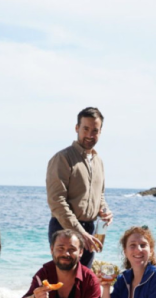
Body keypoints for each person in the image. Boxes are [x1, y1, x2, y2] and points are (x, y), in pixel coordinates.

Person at [46, 107, 113, 268]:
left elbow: (99, 195)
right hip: (64, 229)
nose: (90, 135)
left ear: (100, 132)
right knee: (64, 279)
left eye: (95, 130)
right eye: (86, 129)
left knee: (83, 279)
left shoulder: (98, 162)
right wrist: (80, 233)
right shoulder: (62, 158)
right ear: (77, 128)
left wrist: (105, 211)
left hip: (90, 230)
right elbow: (57, 202)